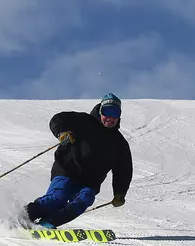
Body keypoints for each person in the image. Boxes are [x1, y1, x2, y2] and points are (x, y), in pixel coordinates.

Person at [25, 93, 133, 228]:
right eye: (107, 112)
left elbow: (123, 170)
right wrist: (61, 133)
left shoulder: (119, 143)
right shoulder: (84, 121)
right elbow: (58, 119)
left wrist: (120, 192)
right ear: (100, 111)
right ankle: (22, 216)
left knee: (85, 199)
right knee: (59, 197)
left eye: (115, 113)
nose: (110, 118)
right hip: (67, 170)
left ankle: (49, 223)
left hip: (90, 182)